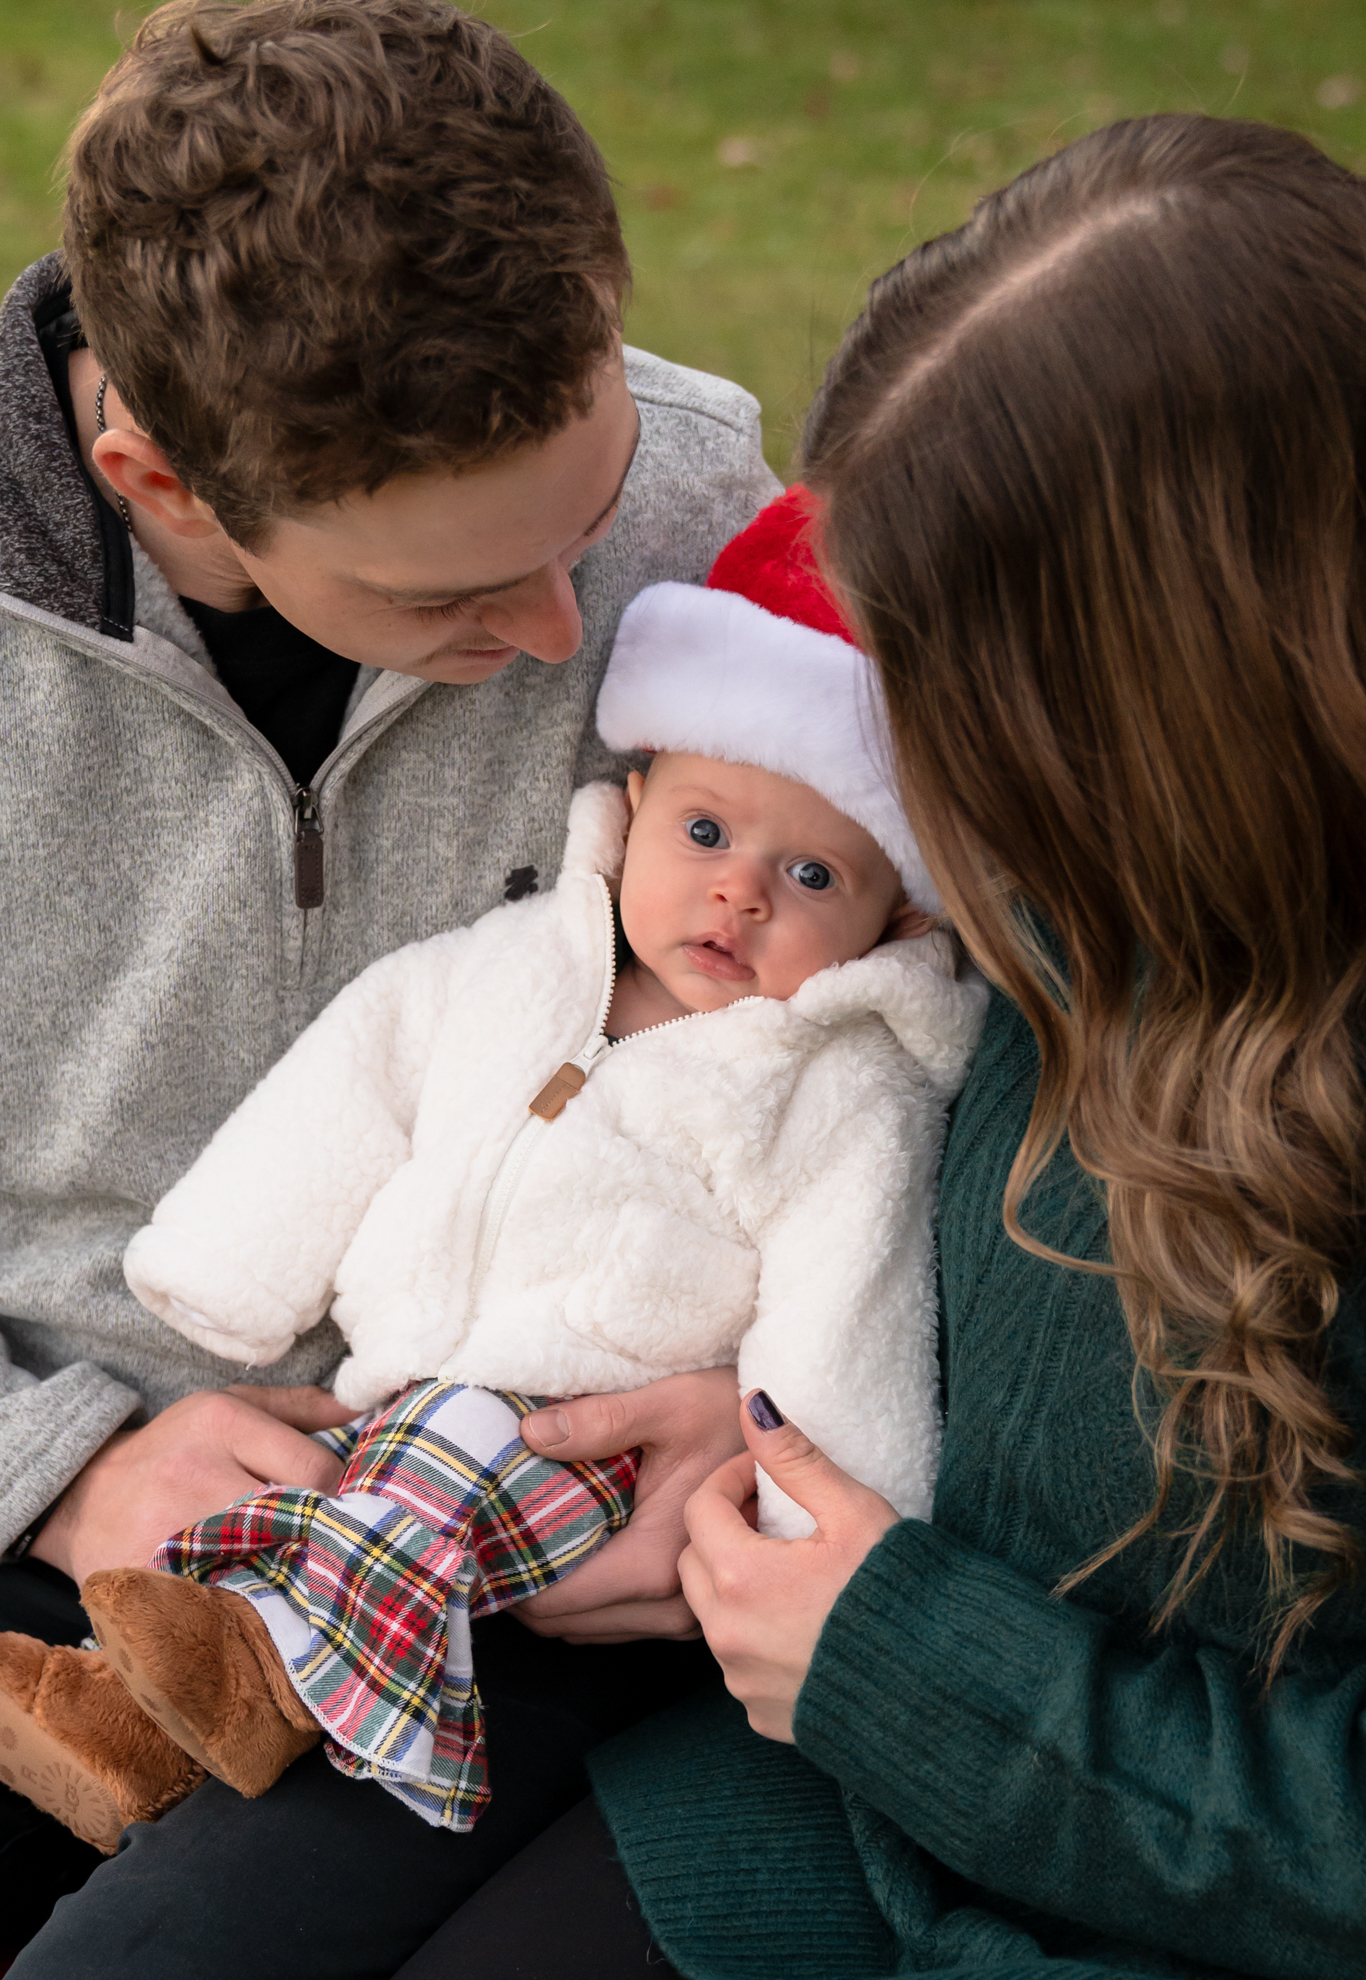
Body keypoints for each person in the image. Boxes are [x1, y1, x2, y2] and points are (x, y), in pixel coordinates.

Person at [325, 112, 1366, 1980]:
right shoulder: (1082, 881)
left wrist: (912, 1665)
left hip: (1167, 1943)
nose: (903, 764)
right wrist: (766, 1417)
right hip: (857, 1812)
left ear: (1181, 680)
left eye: (953, 680)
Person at [0, 0, 777, 1980]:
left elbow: (860, 1032)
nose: (557, 639)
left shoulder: (698, 513)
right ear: (153, 477)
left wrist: (748, 1419)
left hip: (528, 1534)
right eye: (450, 605)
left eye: (582, 528)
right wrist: (63, 1461)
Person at [0, 485, 985, 1853]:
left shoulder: (833, 1088)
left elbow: (848, 1293)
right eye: (704, 834)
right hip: (360, 1412)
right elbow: (361, 1074)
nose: (739, 894)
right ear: (633, 805)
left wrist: (806, 1510)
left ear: (901, 914)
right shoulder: (515, 963)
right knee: (356, 1512)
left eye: (812, 874)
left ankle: (162, 1694)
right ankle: (139, 1711)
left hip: (580, 1448)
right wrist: (220, 1268)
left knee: (413, 1501)